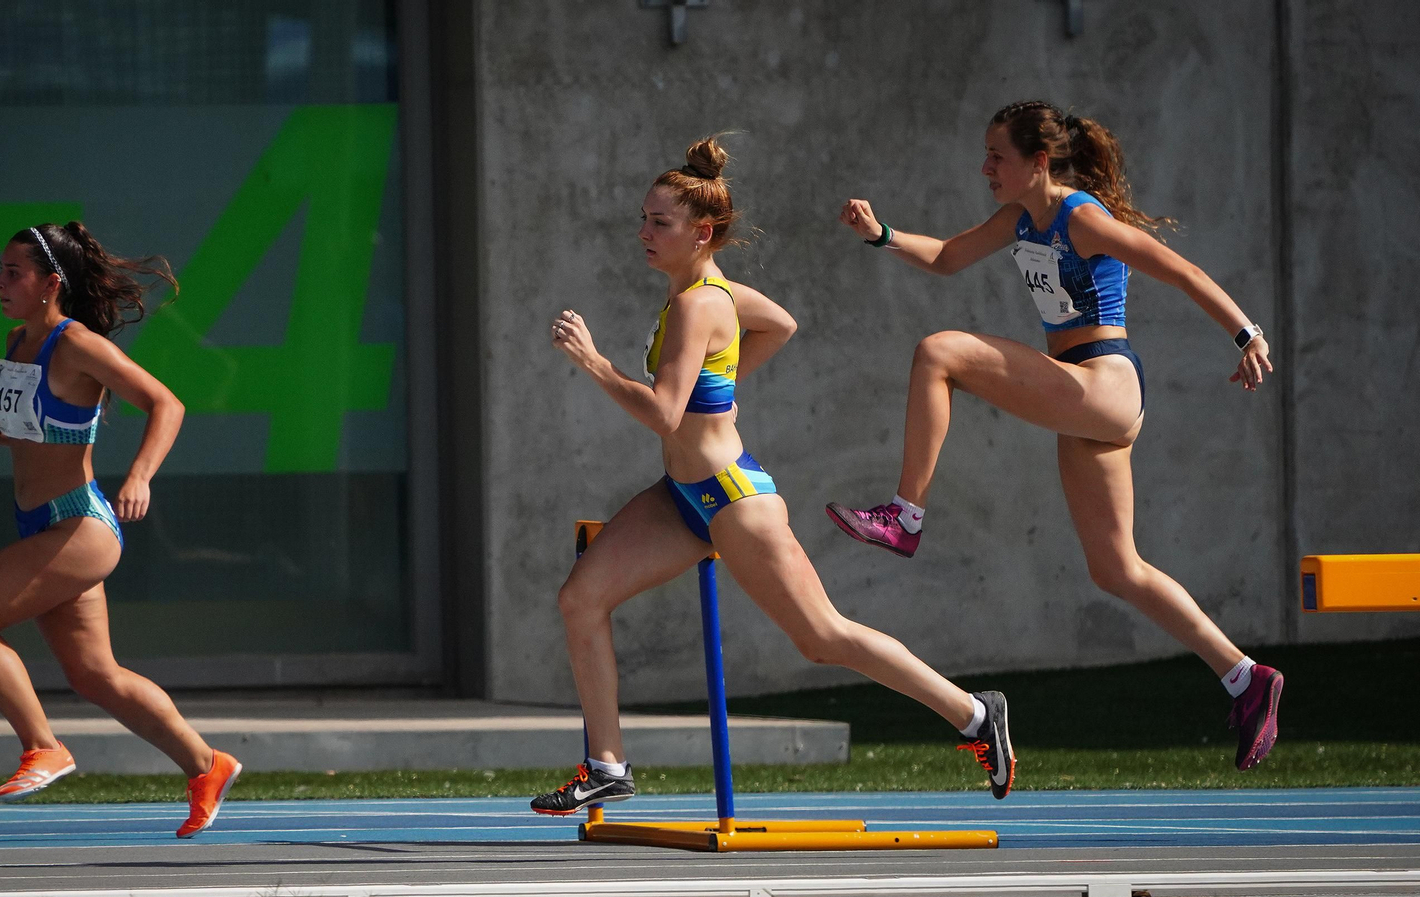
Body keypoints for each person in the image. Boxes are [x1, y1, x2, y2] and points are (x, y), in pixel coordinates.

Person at [531, 137, 1016, 816]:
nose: (643, 233)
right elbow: (778, 324)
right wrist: (723, 390)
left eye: (658, 223)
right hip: (682, 499)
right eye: (642, 218)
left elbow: (665, 414)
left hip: (735, 502)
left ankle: (972, 712)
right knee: (581, 599)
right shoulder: (710, 294)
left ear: (701, 232)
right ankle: (609, 765)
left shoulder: (701, 304)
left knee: (822, 637)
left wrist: (594, 362)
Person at [826, 100, 1283, 770]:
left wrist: (1246, 334)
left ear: (1038, 163)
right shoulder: (1019, 218)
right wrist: (881, 233)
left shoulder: (1082, 217)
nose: (985, 167)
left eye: (996, 157)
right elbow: (950, 257)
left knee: (939, 352)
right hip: (1081, 393)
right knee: (1116, 568)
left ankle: (905, 515)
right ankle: (1246, 678)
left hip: (1103, 382)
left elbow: (1175, 267)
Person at [0, 222, 241, 836]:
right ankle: (207, 764)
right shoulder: (18, 343)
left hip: (80, 526)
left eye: (14, 272)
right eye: (1, 270)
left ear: (50, 283)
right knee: (95, 675)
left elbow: (166, 404)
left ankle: (44, 746)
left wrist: (140, 475)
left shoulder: (78, 345)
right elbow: (23, 430)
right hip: (42, 524)